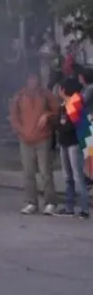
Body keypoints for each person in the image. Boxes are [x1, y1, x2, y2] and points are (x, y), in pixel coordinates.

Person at [11, 72, 58, 215]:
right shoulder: (18, 96)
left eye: (35, 79)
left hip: (43, 138)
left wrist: (47, 115)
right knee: (28, 173)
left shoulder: (46, 95)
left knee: (45, 173)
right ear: (26, 81)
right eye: (30, 79)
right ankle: (31, 202)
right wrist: (21, 131)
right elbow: (14, 117)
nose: (33, 82)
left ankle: (50, 202)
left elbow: (56, 111)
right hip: (25, 139)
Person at [54, 78, 90, 219]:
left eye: (60, 88)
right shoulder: (63, 105)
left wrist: (62, 127)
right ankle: (69, 207)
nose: (58, 91)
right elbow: (59, 123)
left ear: (64, 90)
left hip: (74, 144)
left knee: (77, 177)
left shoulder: (75, 104)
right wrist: (60, 127)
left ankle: (84, 209)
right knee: (67, 177)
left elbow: (72, 126)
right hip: (64, 143)